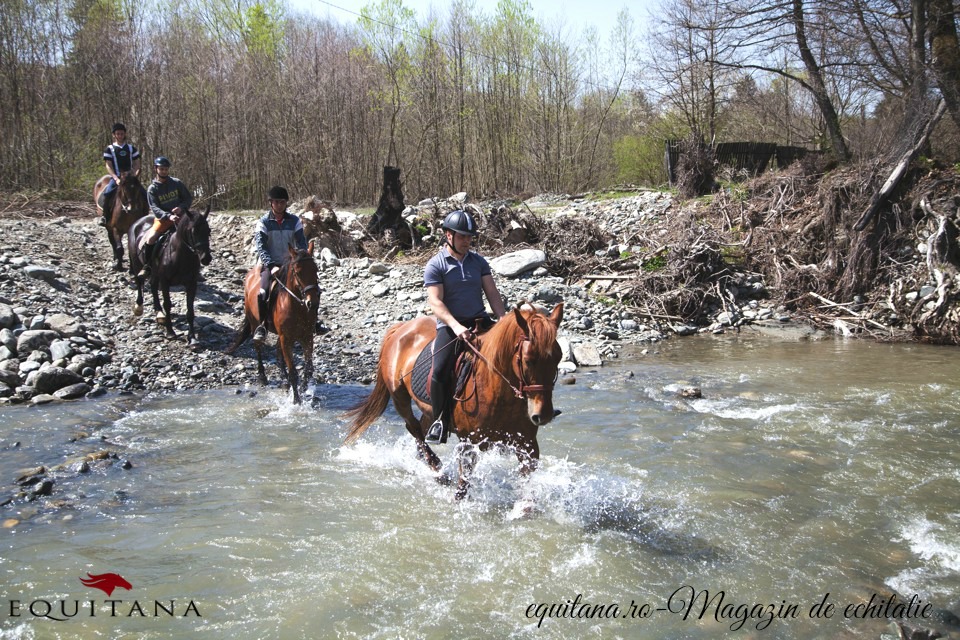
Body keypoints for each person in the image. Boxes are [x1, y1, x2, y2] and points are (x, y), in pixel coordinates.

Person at [423, 209, 506, 444]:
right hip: (450, 327)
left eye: (470, 237)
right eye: (462, 236)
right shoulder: (435, 265)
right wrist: (456, 326)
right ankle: (439, 421)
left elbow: (492, 292)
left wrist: (502, 319)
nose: (467, 241)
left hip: (479, 321)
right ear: (448, 235)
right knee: (439, 370)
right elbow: (436, 303)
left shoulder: (478, 261)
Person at [252, 186, 308, 345]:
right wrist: (271, 266)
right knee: (263, 292)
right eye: (276, 202)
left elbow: (302, 243)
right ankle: (262, 326)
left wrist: (301, 259)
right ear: (271, 203)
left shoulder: (294, 221)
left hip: (290, 264)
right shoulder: (263, 222)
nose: (279, 205)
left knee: (309, 288)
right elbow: (261, 247)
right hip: (271, 265)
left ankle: (312, 322)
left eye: (282, 202)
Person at [139, 156, 193, 278]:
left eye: (166, 169)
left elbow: (188, 198)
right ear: (156, 169)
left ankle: (195, 267)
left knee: (193, 236)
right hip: (163, 220)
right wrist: (168, 216)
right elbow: (155, 208)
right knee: (151, 238)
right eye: (161, 169)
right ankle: (147, 266)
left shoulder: (176, 183)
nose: (164, 171)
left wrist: (181, 208)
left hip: (181, 217)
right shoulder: (152, 189)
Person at [99, 123, 142, 226]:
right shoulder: (110, 149)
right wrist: (115, 177)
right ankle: (105, 216)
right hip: (117, 177)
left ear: (125, 134)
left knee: (143, 193)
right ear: (114, 135)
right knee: (108, 193)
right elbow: (108, 165)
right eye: (117, 134)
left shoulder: (131, 148)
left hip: (130, 178)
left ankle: (144, 214)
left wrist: (135, 174)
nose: (120, 136)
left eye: (122, 134)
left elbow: (136, 163)